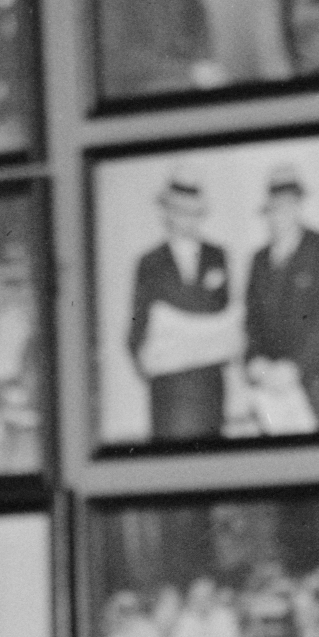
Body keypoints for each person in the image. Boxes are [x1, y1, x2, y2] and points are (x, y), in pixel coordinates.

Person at [127, 165, 235, 447]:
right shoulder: (149, 263)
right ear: (167, 213)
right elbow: (136, 329)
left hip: (209, 388)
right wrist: (144, 358)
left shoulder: (217, 256)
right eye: (179, 211)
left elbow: (227, 318)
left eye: (193, 211)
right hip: (170, 392)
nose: (186, 219)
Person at [241, 162, 319, 436]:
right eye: (276, 206)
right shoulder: (259, 260)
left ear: (300, 206)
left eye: (290, 204)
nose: (282, 214)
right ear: (268, 210)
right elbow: (251, 321)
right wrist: (255, 361)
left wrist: (296, 368)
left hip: (316, 385)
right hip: (271, 392)